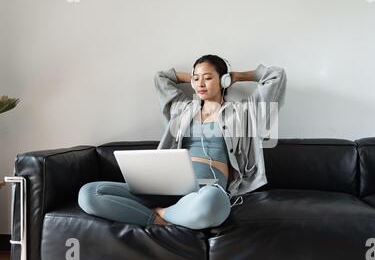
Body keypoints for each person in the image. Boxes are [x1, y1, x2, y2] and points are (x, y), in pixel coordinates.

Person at [78, 54, 287, 230]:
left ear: (223, 80)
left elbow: (276, 76)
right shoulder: (181, 109)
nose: (200, 84)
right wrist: (194, 77)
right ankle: (158, 219)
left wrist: (236, 76)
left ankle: (164, 213)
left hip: (207, 191)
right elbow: (161, 78)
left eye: (207, 78)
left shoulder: (244, 113)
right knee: (88, 193)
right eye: (196, 79)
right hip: (164, 187)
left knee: (213, 205)